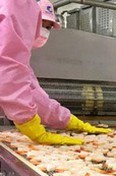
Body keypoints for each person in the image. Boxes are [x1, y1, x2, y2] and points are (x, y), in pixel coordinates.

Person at [0, 0, 110, 145]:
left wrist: (69, 121)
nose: (44, 31)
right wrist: (29, 124)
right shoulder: (17, 4)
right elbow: (8, 73)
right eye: (42, 24)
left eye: (48, 27)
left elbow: (33, 94)